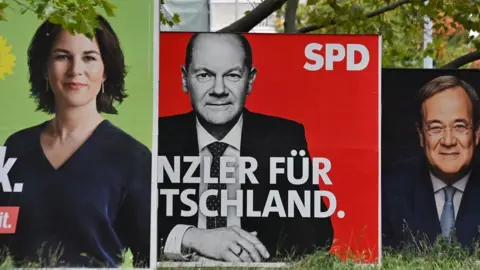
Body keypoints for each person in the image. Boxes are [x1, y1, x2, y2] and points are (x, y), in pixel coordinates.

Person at [157, 32, 334, 263]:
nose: (218, 89)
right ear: (184, 78)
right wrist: (194, 238)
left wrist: (243, 254)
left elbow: (318, 233)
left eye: (232, 75)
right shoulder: (156, 138)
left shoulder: (283, 138)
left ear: (249, 81)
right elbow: (127, 224)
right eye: (204, 75)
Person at [0, 16, 151, 268]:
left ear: (105, 71)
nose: (75, 70)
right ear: (45, 68)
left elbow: (147, 257)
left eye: (89, 57)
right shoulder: (15, 148)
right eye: (62, 56)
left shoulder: (133, 157)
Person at [382, 75, 480, 251]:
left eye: (459, 126)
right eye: (436, 127)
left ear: (477, 133)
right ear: (421, 135)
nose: (448, 141)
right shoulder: (388, 190)